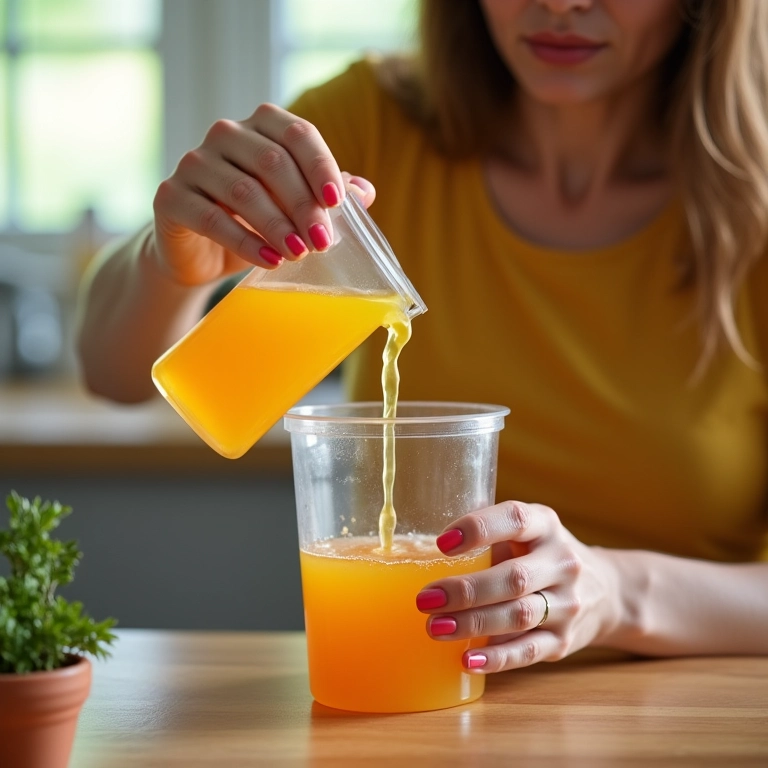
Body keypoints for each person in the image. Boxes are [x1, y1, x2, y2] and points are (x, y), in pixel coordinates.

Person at [77, 0, 768, 673]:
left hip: (682, 715)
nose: (560, 4)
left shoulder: (755, 195)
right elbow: (111, 373)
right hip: (400, 693)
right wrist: (170, 265)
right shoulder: (376, 124)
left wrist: (616, 593)